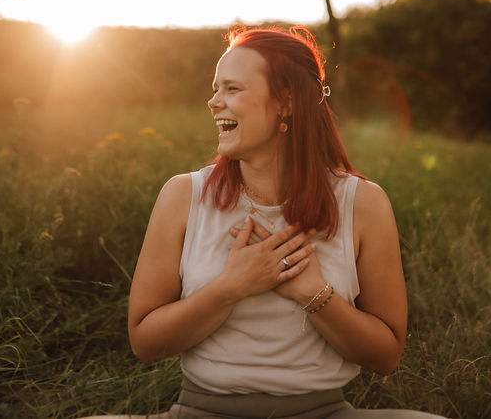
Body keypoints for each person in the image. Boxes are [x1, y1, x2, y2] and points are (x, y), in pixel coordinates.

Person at [93, 27, 444, 419]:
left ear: (286, 102)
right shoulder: (182, 196)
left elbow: (386, 355)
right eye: (215, 88)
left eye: (232, 89)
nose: (213, 101)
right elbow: (144, 342)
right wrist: (231, 287)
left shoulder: (363, 203)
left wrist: (314, 294)